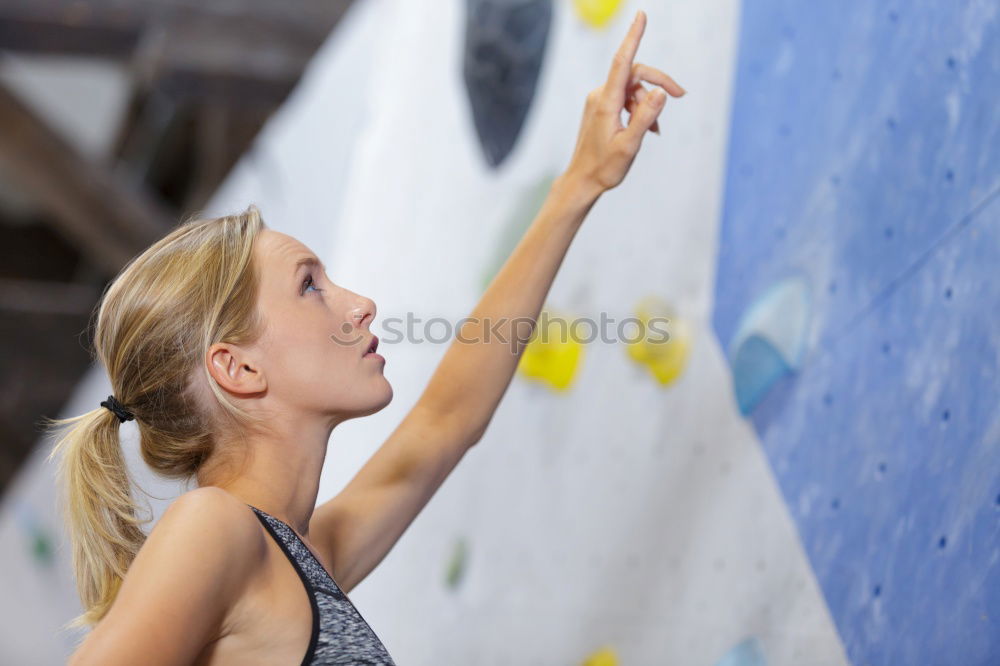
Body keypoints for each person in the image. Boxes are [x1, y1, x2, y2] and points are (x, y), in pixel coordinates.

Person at [46, 9, 685, 665]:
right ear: (237, 369)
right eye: (309, 286)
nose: (360, 306)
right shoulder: (213, 530)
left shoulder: (302, 556)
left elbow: (447, 419)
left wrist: (581, 182)